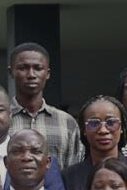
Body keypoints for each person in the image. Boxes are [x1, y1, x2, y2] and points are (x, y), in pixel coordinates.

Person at [8, 41, 82, 169]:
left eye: (38, 68)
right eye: (23, 68)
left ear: (47, 74)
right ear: (11, 72)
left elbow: (72, 173)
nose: (31, 75)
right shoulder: (1, 120)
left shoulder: (66, 122)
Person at [65, 95, 126, 190]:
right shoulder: (68, 177)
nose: (103, 130)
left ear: (122, 127)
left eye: (111, 122)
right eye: (93, 123)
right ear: (84, 129)